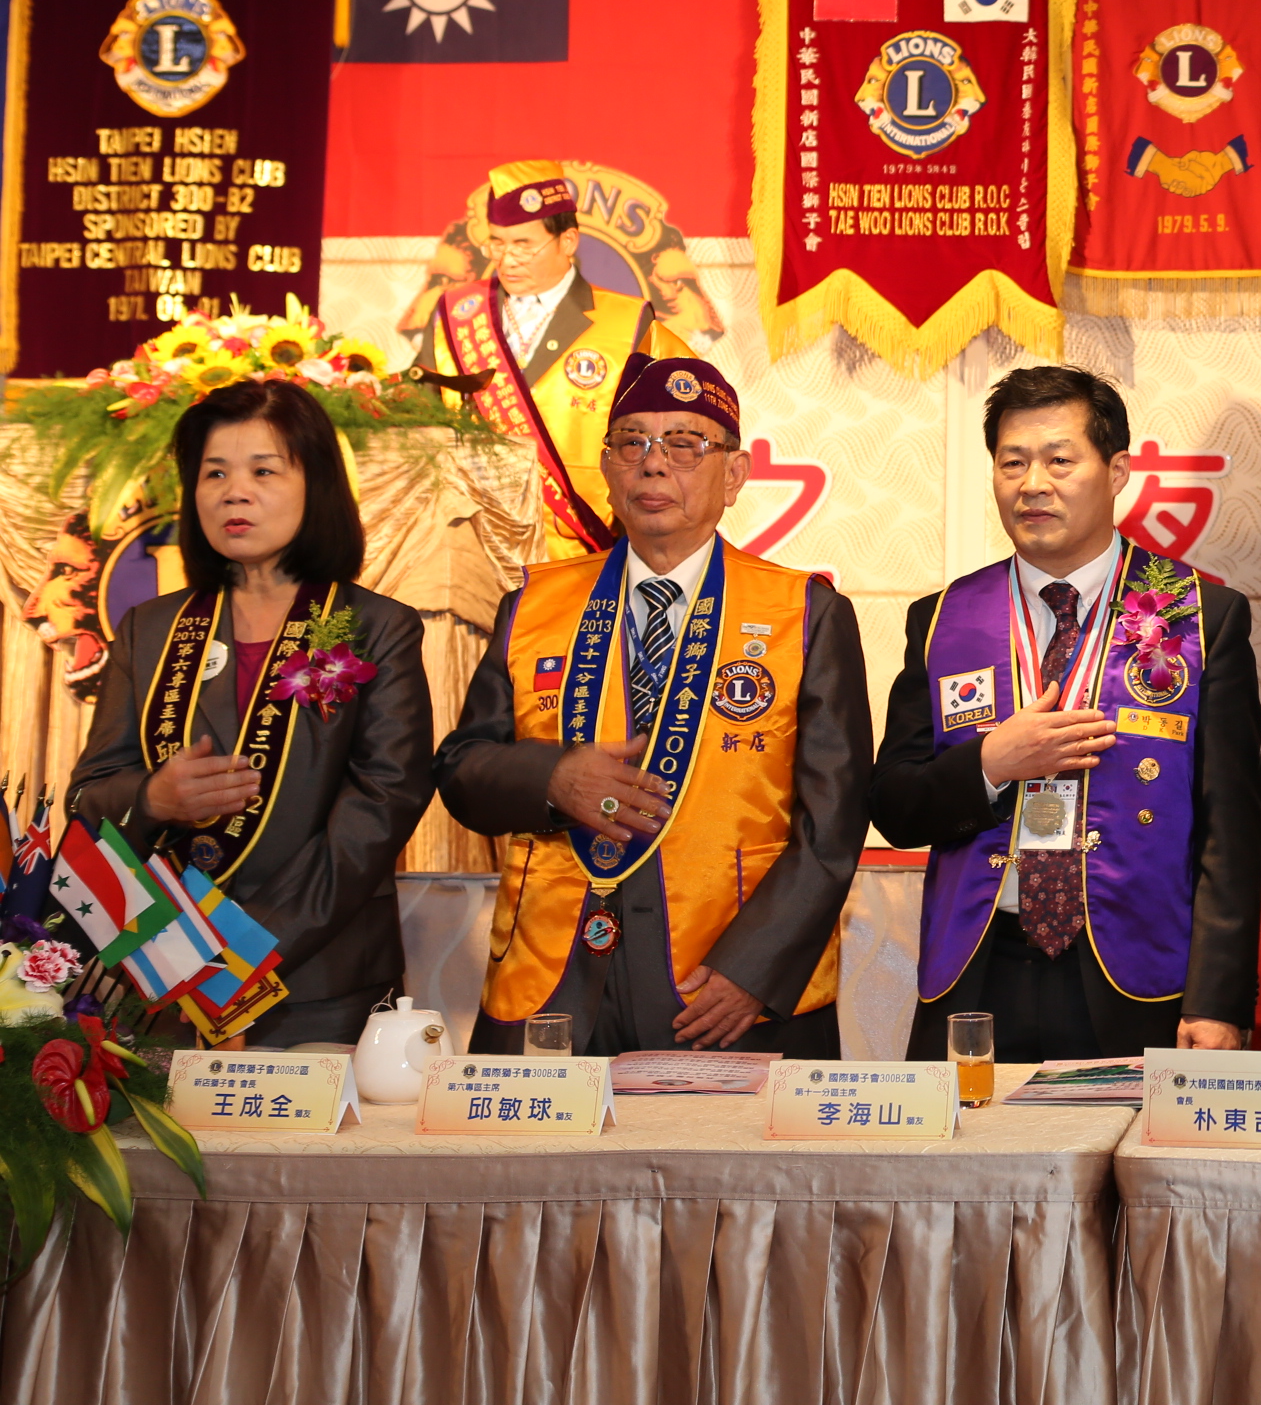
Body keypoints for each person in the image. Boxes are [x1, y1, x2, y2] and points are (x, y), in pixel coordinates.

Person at [434, 356, 870, 1056]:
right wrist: (552, 778)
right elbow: (462, 768)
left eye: (685, 444)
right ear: (607, 469)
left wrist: (755, 970)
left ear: (734, 474)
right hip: (551, 976)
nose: (653, 463)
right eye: (631, 442)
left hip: (721, 985)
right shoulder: (535, 606)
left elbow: (833, 824)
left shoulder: (803, 612)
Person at [872, 366, 1261, 1062]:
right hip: (979, 968)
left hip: (1138, 973)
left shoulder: (1200, 616)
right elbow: (896, 808)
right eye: (1012, 463)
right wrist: (989, 765)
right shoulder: (943, 619)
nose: (1032, 485)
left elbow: (1229, 833)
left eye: (1060, 461)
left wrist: (1218, 1002)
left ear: (1117, 471)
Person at [66, 380, 436, 1046]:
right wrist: (152, 798)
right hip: (163, 979)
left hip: (317, 980)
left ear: (316, 485)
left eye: (263, 471)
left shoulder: (375, 627)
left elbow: (382, 806)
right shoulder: (150, 629)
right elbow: (88, 797)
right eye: (214, 473)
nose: (234, 492)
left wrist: (239, 960)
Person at [413, 160, 694, 556]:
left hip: (579, 545)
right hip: (467, 542)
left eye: (524, 245)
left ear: (568, 241)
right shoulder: (459, 313)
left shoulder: (627, 321)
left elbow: (676, 425)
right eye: (497, 243)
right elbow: (417, 413)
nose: (507, 259)